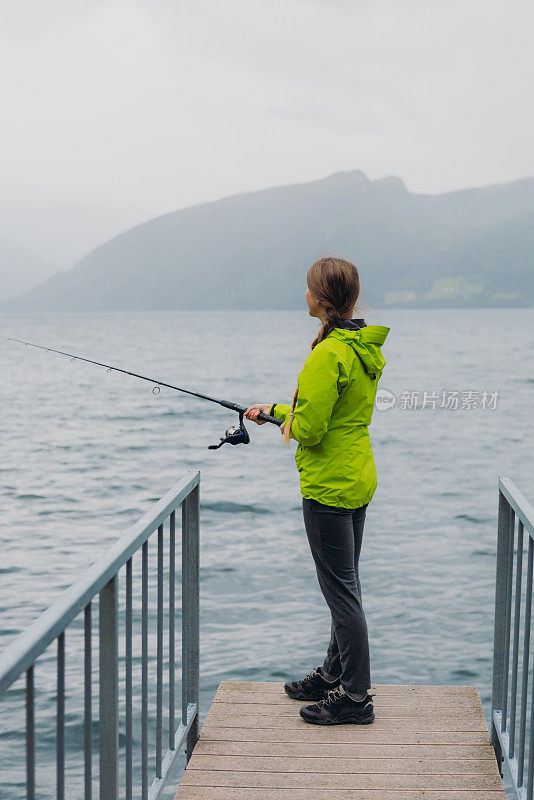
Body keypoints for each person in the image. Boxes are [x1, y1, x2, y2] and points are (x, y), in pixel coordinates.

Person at [245, 255, 389, 725]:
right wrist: (278, 409)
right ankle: (333, 674)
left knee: (341, 592)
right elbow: (331, 412)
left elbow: (309, 429)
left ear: (321, 298)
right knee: (346, 584)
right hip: (357, 476)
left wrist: (279, 417)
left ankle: (356, 697)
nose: (303, 294)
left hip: (329, 486)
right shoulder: (358, 347)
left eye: (308, 288)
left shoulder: (327, 354)